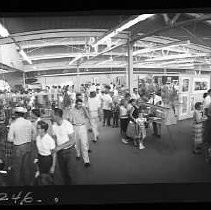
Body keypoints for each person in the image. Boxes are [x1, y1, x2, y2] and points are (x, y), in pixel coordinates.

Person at [7, 107, 36, 186]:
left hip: (18, 148)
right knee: (26, 167)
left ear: (16, 114)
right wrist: (29, 138)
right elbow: (34, 133)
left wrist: (16, 138)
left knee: (17, 168)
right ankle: (27, 184)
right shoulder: (28, 122)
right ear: (23, 114)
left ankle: (17, 186)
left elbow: (9, 139)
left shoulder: (14, 124)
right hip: (27, 146)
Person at [51, 108, 75, 185]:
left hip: (69, 151)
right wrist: (54, 148)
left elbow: (72, 141)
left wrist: (59, 147)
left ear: (56, 116)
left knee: (70, 173)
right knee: (63, 173)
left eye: (52, 114)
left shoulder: (67, 124)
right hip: (59, 152)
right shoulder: (54, 126)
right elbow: (54, 139)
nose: (50, 116)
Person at [71, 99, 91, 167]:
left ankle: (86, 161)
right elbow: (69, 119)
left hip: (82, 127)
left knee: (84, 144)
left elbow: (88, 116)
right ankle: (78, 154)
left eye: (81, 104)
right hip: (75, 127)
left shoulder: (83, 109)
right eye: (78, 104)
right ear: (75, 103)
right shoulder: (72, 110)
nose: (80, 105)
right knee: (76, 143)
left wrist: (85, 109)